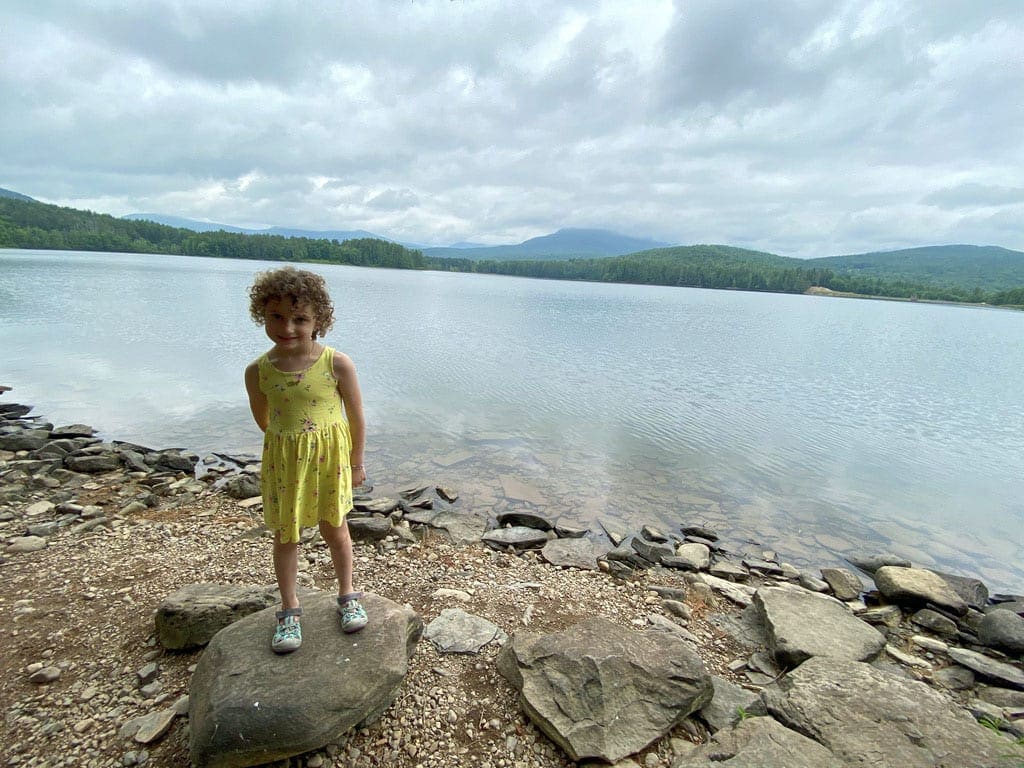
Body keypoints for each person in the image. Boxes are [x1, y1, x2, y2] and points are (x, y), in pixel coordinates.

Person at [244, 266, 368, 653]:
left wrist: (356, 462)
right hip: (286, 463)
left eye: (300, 318)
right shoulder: (257, 371)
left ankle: (347, 595)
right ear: (262, 315)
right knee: (286, 535)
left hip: (330, 461)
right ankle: (289, 608)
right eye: (277, 316)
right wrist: (289, 446)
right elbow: (264, 419)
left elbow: (356, 416)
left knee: (336, 528)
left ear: (319, 321)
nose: (288, 327)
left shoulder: (337, 363)